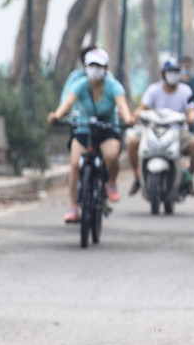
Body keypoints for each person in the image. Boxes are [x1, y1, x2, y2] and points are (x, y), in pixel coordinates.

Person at [47, 48, 133, 222]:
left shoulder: (113, 86)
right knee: (74, 165)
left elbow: (122, 105)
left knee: (111, 155)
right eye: (92, 65)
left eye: (99, 66)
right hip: (84, 129)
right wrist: (57, 115)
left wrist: (128, 118)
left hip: (107, 128)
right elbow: (68, 103)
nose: (95, 69)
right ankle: (73, 206)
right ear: (86, 67)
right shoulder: (80, 85)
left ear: (106, 68)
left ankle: (111, 183)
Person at [129, 59, 194, 196]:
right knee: (131, 142)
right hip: (153, 129)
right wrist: (134, 116)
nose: (173, 75)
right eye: (170, 72)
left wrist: (192, 117)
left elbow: (191, 110)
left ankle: (188, 179)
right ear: (163, 74)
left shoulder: (185, 90)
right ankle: (137, 177)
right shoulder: (153, 90)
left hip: (178, 131)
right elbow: (142, 107)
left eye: (176, 72)